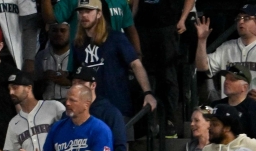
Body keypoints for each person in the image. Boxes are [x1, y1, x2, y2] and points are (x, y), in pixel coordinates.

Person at [69, 0, 156, 121]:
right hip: (89, 111)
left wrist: (147, 93)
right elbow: (75, 77)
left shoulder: (116, 38)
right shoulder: (77, 44)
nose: (84, 15)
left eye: (88, 11)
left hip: (118, 108)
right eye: (81, 11)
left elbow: (136, 64)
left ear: (99, 13)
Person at [136, 0, 193, 136]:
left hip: (168, 26)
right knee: (146, 75)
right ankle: (148, 123)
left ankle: (170, 121)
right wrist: (133, 18)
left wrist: (183, 19)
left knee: (168, 75)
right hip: (144, 27)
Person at [195, 9, 256, 102]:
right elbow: (201, 66)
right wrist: (202, 41)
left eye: (246, 18)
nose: (241, 21)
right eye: (238, 18)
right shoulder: (226, 47)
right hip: (230, 110)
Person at [214, 65, 256, 138]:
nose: (226, 82)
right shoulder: (216, 105)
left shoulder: (253, 108)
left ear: (244, 87)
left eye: (232, 79)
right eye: (226, 78)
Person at [33, 21, 71, 103]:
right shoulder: (40, 56)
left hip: (71, 103)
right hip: (46, 103)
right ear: (49, 32)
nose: (59, 34)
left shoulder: (78, 55)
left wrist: (68, 81)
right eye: (54, 30)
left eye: (63, 30)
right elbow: (34, 87)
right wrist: (44, 78)